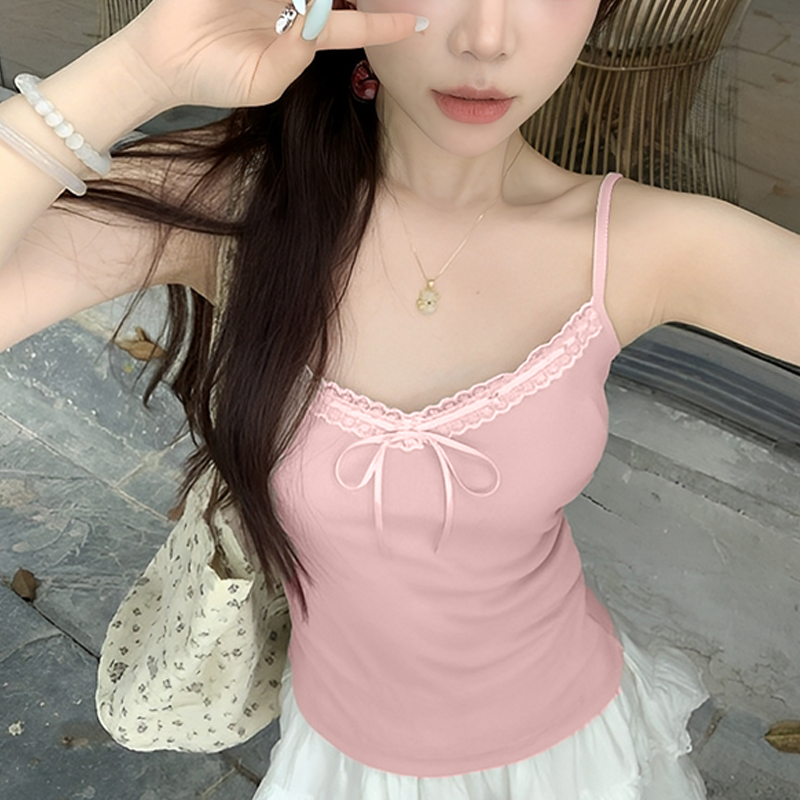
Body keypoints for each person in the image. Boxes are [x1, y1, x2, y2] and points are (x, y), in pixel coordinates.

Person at [1, 0, 799, 797]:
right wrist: (142, 67)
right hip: (339, 756)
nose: (486, 39)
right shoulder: (238, 203)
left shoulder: (639, 244)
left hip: (571, 747)